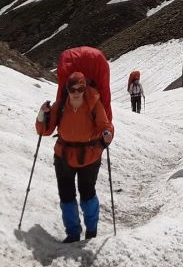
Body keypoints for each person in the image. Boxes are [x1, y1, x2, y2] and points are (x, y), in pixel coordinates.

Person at [35, 71, 114, 243]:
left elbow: (104, 125)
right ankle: (73, 233)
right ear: (67, 89)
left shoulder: (94, 103)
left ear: (85, 88)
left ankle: (91, 230)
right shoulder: (61, 104)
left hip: (90, 155)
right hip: (64, 156)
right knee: (66, 194)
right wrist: (42, 114)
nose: (76, 92)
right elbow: (44, 130)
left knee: (87, 192)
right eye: (73, 89)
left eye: (80, 88)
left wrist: (108, 133)